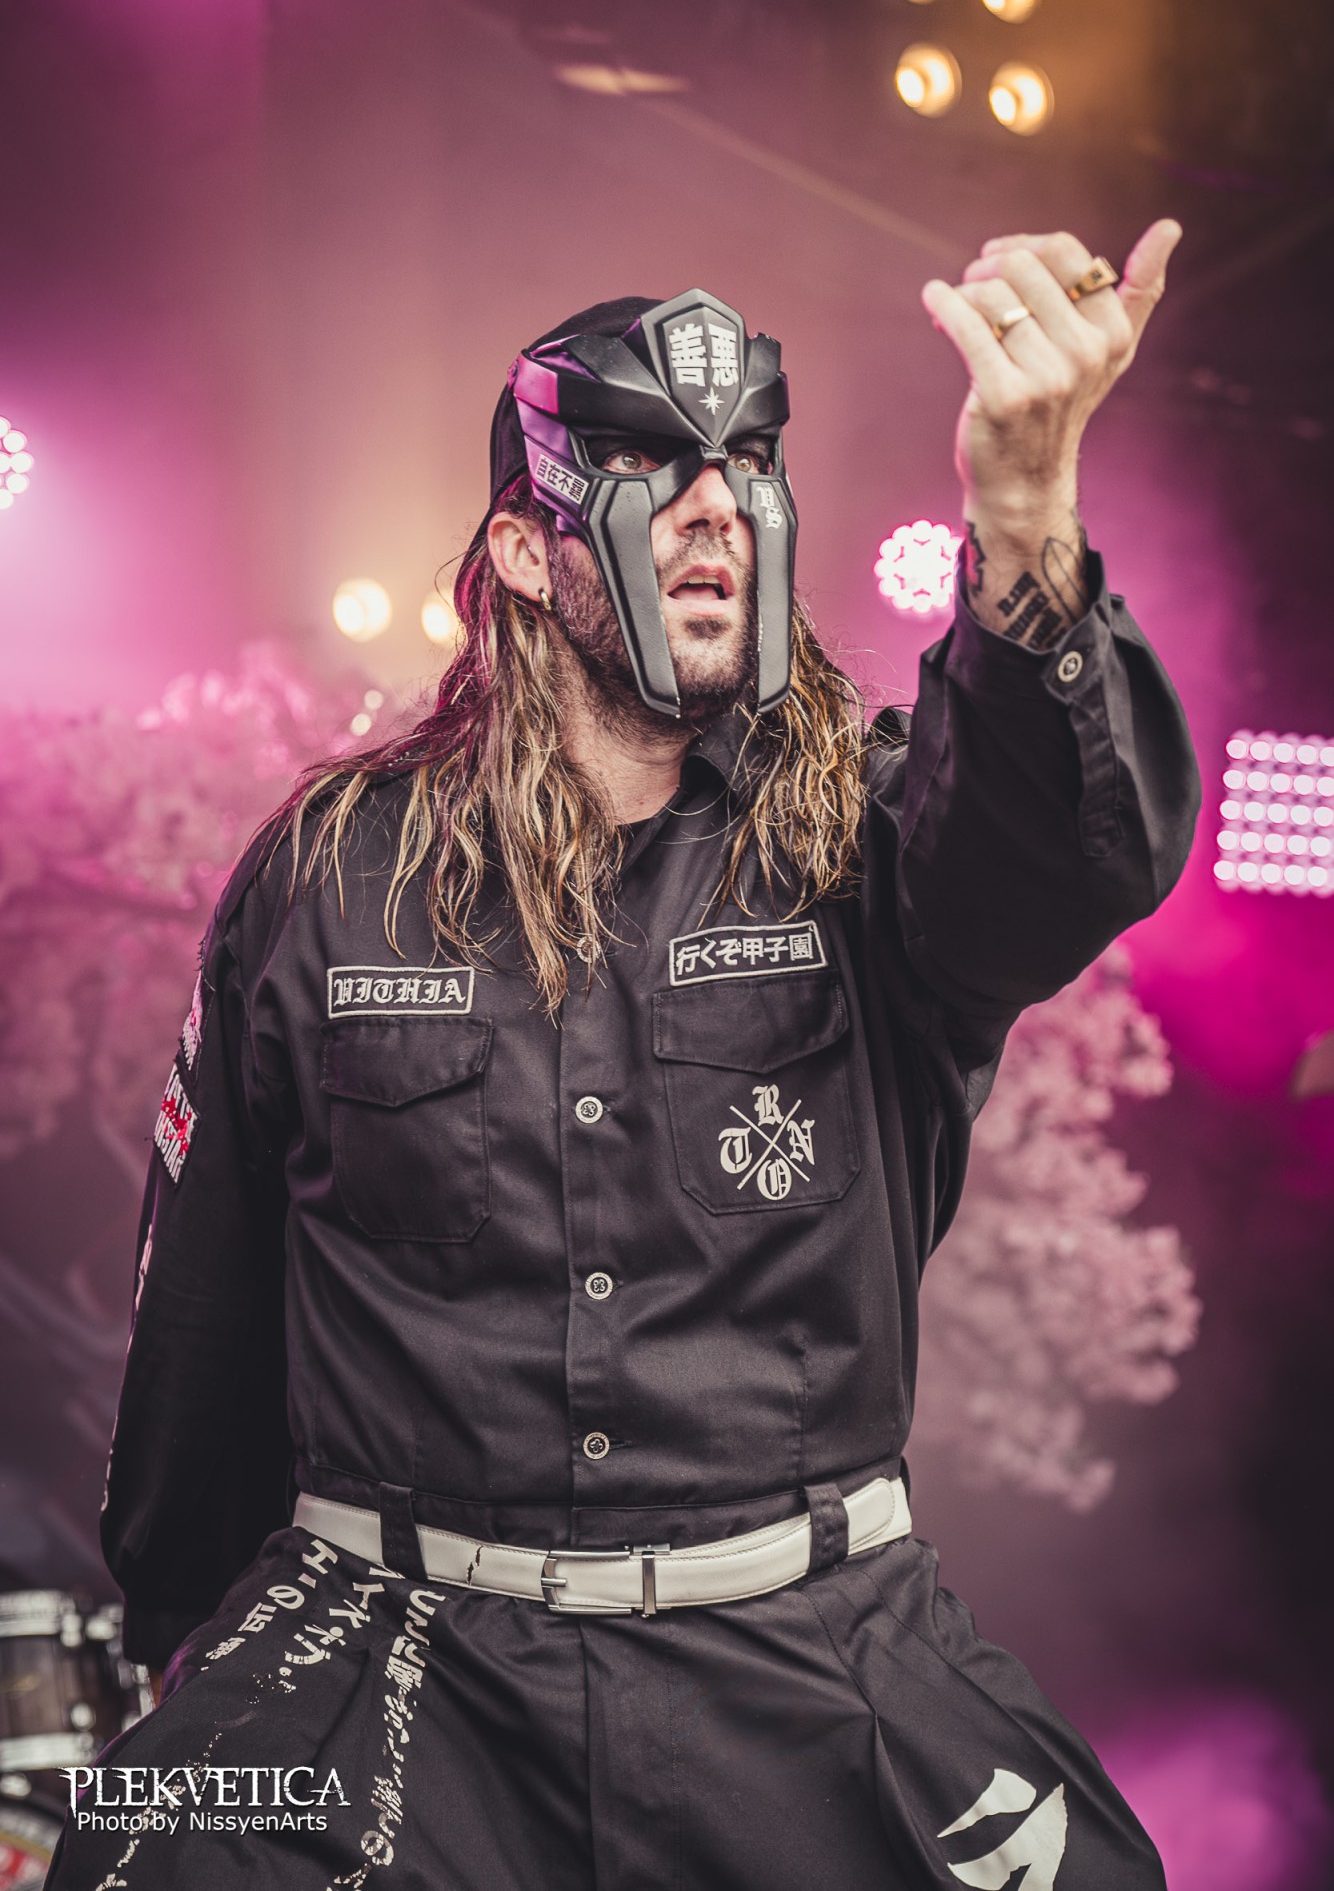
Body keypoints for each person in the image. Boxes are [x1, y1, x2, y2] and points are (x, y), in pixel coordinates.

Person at [52, 223, 1199, 1890]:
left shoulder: (876, 843)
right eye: (652, 466)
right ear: (526, 552)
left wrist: (1023, 506)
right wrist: (195, 1644)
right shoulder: (325, 876)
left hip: (808, 1652)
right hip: (400, 1649)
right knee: (138, 1862)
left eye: (745, 462)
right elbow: (203, 1324)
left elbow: (1070, 850)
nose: (716, 502)